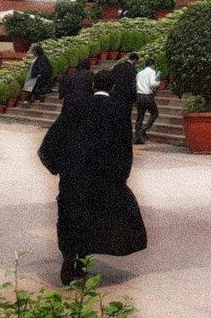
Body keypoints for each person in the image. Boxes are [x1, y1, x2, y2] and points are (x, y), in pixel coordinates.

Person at [38, 69, 147, 286]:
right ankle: (83, 259)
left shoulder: (76, 106)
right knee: (92, 218)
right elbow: (124, 148)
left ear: (93, 85)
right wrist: (121, 176)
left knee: (69, 215)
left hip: (74, 174)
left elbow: (55, 136)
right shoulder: (119, 111)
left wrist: (56, 165)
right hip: (103, 177)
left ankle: (69, 254)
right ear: (113, 87)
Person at [134, 58, 161, 144]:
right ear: (152, 64)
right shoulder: (152, 72)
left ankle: (136, 138)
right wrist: (158, 82)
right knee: (155, 113)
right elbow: (152, 84)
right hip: (147, 95)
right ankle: (144, 129)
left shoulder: (139, 73)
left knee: (140, 117)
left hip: (139, 96)